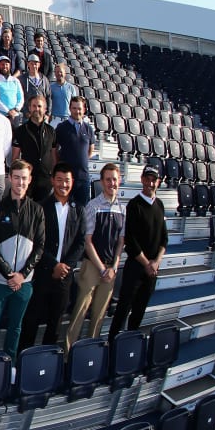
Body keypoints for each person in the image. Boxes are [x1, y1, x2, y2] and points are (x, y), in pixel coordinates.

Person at [0, 160, 45, 360]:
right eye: (16, 177)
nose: (20, 182)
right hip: (0, 280)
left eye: (24, 178)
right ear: (9, 178)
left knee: (15, 327)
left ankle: (10, 366)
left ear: (30, 180)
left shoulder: (37, 211)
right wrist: (8, 274)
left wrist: (22, 275)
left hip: (24, 282)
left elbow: (40, 246)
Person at [18, 163, 86, 351]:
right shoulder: (40, 208)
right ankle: (25, 358)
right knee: (31, 320)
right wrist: (53, 265)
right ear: (52, 181)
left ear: (72, 183)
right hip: (42, 274)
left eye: (67, 181)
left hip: (65, 276)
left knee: (55, 324)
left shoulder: (78, 209)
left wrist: (66, 266)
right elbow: (36, 241)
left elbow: (81, 242)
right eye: (59, 180)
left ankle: (48, 363)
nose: (63, 184)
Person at [65, 163, 126, 350]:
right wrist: (101, 268)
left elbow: (120, 242)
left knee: (99, 316)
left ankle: (90, 354)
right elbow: (88, 241)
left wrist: (114, 267)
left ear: (119, 181)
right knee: (80, 313)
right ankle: (69, 354)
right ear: (101, 182)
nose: (111, 183)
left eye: (114, 179)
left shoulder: (123, 209)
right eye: (108, 179)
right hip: (92, 267)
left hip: (110, 270)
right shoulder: (93, 206)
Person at [109, 166, 167, 340]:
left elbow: (164, 239)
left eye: (154, 180)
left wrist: (156, 262)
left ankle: (130, 344)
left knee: (139, 309)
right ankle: (112, 342)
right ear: (142, 179)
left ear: (157, 182)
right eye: (147, 179)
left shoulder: (160, 204)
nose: (150, 183)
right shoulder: (134, 205)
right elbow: (131, 242)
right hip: (135, 267)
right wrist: (147, 264)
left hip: (151, 271)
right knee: (123, 308)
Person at [13, 96, 58, 201]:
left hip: (45, 181)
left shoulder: (51, 131)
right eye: (34, 106)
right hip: (26, 180)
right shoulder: (21, 131)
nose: (37, 109)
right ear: (29, 108)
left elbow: (54, 156)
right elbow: (15, 157)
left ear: (45, 109)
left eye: (39, 106)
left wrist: (53, 176)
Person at [55, 97, 95, 207]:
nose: (77, 111)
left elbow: (90, 150)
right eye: (74, 108)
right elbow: (54, 149)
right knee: (65, 209)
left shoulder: (88, 129)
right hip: (66, 179)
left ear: (84, 109)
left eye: (79, 108)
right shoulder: (61, 127)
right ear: (70, 109)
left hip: (83, 178)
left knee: (82, 211)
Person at [0, 56, 24, 126]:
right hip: (1, 115)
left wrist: (16, 109)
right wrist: (7, 111)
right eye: (2, 64)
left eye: (6, 64)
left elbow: (20, 97)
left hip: (15, 115)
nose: (4, 66)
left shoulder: (15, 80)